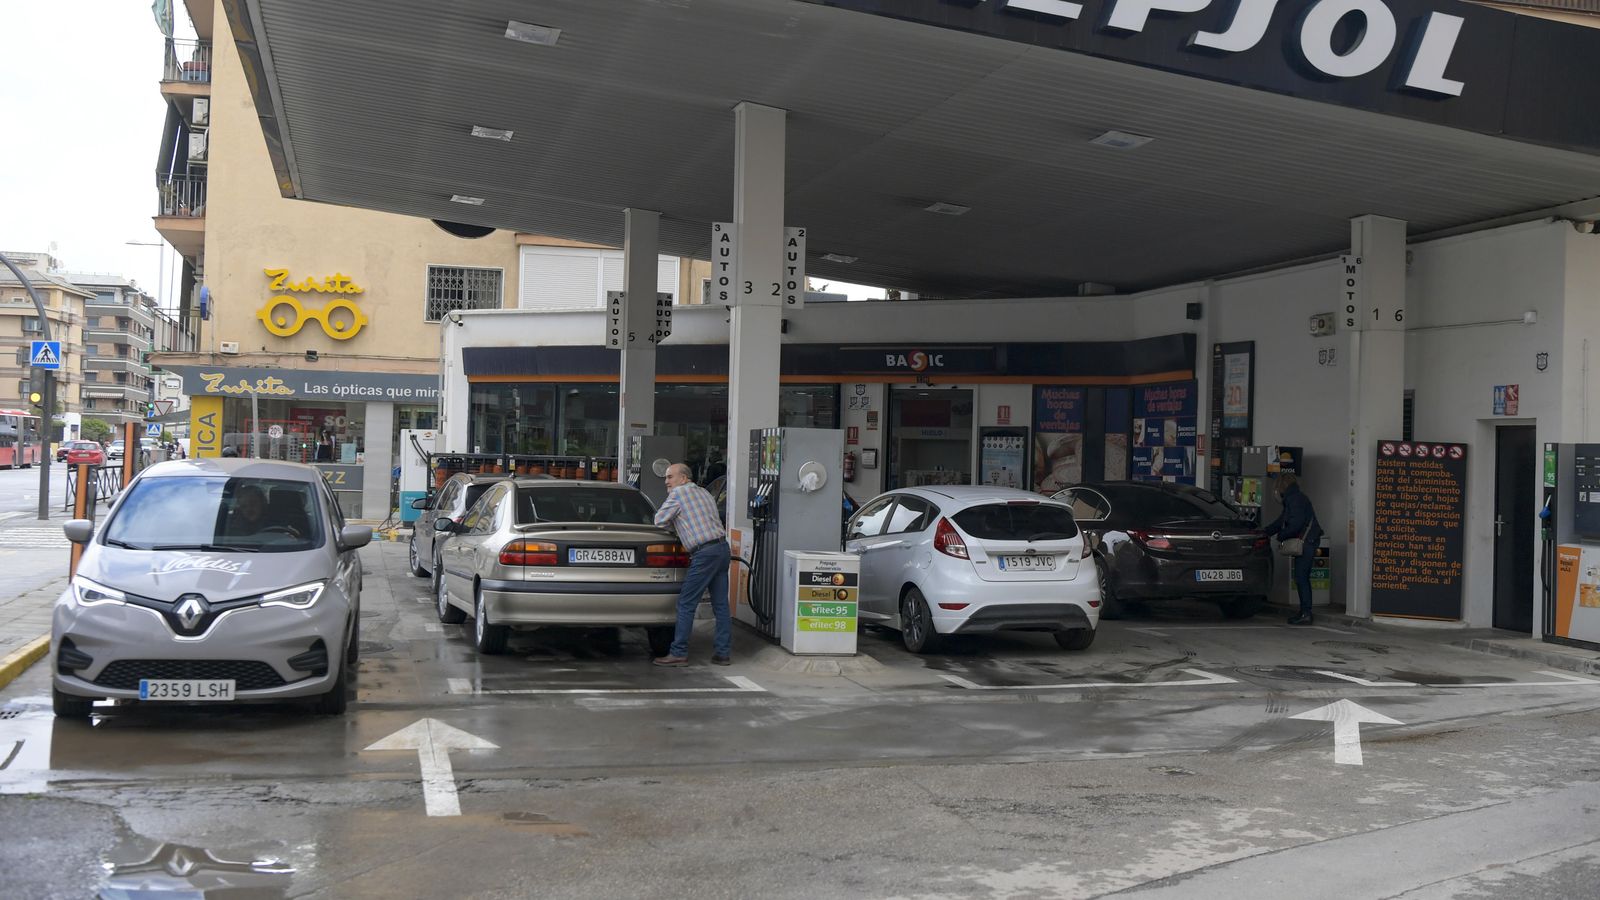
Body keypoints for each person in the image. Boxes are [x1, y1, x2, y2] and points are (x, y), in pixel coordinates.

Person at [651, 462, 731, 667]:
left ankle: (678, 652)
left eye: (670, 477)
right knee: (721, 605)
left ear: (684, 478)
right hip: (722, 549)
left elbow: (659, 520)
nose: (666, 481)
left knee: (686, 603)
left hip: (704, 554)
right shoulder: (704, 492)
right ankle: (723, 653)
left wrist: (674, 523)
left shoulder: (678, 494)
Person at [1264, 472, 1322, 625]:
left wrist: (1280, 536)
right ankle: (1304, 612)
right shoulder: (1295, 498)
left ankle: (1306, 613)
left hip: (1307, 542)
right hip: (1309, 541)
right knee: (1302, 577)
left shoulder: (1294, 500)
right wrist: (1265, 532)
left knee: (1301, 578)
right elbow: (1281, 521)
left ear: (1281, 487)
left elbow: (1295, 524)